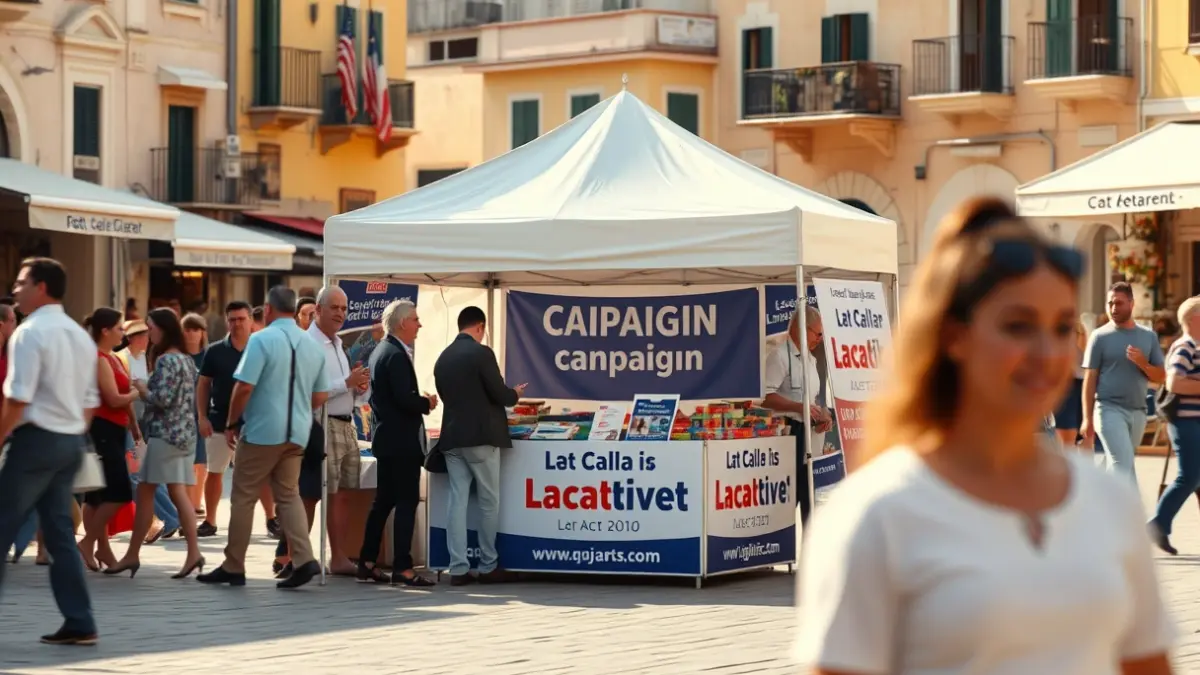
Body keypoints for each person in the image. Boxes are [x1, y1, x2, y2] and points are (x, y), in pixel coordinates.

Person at [795, 198, 1174, 675]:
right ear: (954, 335)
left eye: (1061, 327)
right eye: (1018, 325)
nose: (1047, 352)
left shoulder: (1109, 503)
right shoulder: (878, 515)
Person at [197, 287, 330, 589]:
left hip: (262, 431)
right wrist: (296, 408)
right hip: (298, 431)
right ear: (295, 310)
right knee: (289, 494)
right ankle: (304, 559)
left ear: (268, 310)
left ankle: (234, 565)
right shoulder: (311, 345)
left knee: (243, 496)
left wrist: (231, 422)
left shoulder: (261, 340)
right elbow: (320, 394)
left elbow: (243, 387)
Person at [0, 257, 100, 645]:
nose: (15, 289)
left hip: (35, 443)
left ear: (41, 287)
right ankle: (80, 621)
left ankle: (80, 621)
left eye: (22, 282)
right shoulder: (78, 334)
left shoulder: (29, 332)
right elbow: (90, 401)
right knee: (59, 535)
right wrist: (71, 433)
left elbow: (17, 399)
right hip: (71, 441)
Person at [106, 309, 204, 579]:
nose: (149, 334)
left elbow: (162, 398)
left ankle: (133, 555)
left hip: (165, 435)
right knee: (175, 493)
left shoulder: (166, 360)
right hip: (184, 434)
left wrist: (142, 387)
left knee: (150, 492)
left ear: (162, 328)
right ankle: (189, 553)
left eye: (151, 328)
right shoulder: (185, 359)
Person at [432, 306, 523, 586]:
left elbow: (445, 396)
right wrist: (515, 394)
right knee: (488, 501)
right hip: (481, 439)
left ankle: (457, 568)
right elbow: (500, 394)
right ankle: (488, 564)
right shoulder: (482, 354)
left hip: (452, 438)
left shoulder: (442, 358)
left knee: (456, 501)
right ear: (480, 326)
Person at [358, 299, 436, 586]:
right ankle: (403, 567)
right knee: (405, 501)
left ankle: (367, 562)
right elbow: (404, 399)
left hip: (387, 439)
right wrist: (426, 402)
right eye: (415, 319)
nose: (419, 325)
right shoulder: (395, 354)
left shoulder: (382, 350)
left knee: (384, 502)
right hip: (401, 442)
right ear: (403, 323)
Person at [77, 308, 141, 571]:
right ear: (105, 330)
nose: (122, 333)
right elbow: (114, 398)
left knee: (97, 496)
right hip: (101, 431)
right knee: (119, 492)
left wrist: (135, 426)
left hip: (116, 431)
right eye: (119, 328)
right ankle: (88, 542)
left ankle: (102, 548)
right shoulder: (97, 358)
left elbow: (121, 396)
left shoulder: (113, 358)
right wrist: (137, 392)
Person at [1082, 281, 1165, 480]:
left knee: (1124, 465)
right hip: (1108, 408)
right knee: (1122, 465)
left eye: (1118, 303)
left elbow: (1161, 377)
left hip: (1138, 411)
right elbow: (1089, 378)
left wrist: (1142, 363)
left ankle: (1126, 507)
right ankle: (1101, 504)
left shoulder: (1148, 337)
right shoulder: (1099, 337)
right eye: (1110, 303)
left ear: (1131, 304)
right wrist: (1087, 418)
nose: (1113, 308)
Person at [761, 305, 833, 523]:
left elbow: (813, 399)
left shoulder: (810, 359)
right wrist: (797, 407)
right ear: (802, 329)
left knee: (811, 498)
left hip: (812, 437)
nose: (820, 338)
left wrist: (824, 415)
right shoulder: (779, 356)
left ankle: (811, 551)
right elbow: (765, 397)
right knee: (789, 500)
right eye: (817, 333)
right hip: (790, 434)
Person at [1149, 297, 1200, 555]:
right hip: (1186, 421)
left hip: (1195, 421)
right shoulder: (1185, 346)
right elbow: (1174, 383)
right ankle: (1157, 524)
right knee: (1189, 477)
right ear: (1194, 319)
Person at [182, 313, 208, 513]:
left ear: (202, 333)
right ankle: (188, 503)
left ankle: (196, 503)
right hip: (182, 414)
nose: (191, 334)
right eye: (187, 330)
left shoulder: (208, 355)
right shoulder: (179, 356)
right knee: (187, 460)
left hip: (204, 412)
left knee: (202, 461)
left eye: (195, 330)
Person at [1053, 318, 1090, 451]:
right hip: (1074, 384)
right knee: (1073, 438)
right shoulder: (1076, 328)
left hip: (1075, 384)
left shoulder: (1075, 329)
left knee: (1074, 438)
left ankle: (1074, 467)